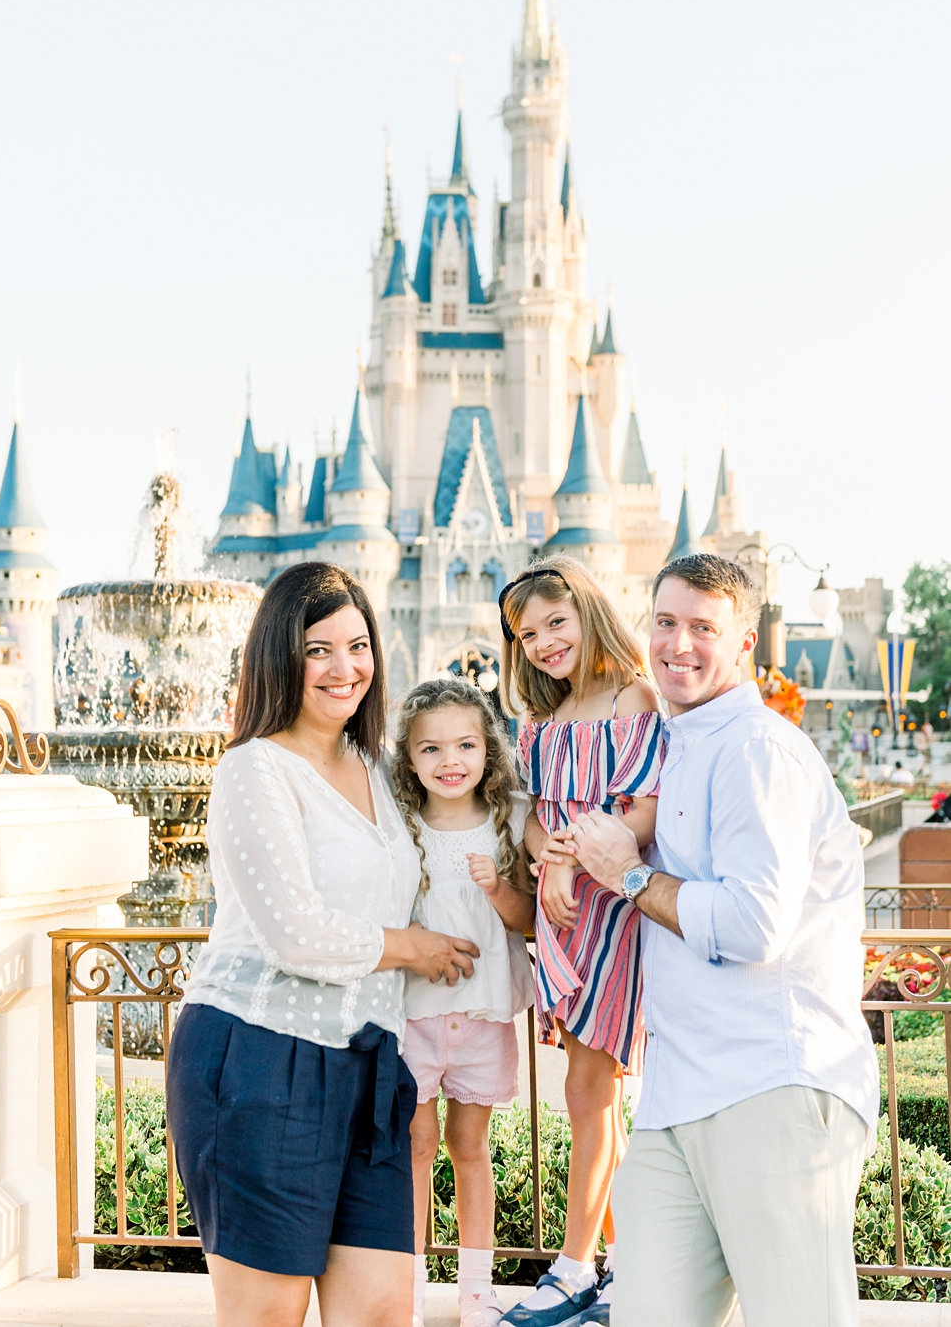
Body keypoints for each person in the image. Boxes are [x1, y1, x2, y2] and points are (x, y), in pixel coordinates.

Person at [554, 554, 879, 1327]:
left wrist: (628, 876)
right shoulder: (678, 744)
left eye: (704, 628)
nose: (679, 644)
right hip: (676, 1096)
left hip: (771, 1084)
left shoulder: (756, 750)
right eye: (665, 623)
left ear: (746, 644)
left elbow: (751, 926)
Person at [165, 562, 480, 1327]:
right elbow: (295, 934)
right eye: (319, 650)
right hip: (258, 1061)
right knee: (266, 1317)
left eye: (358, 645)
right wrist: (411, 947)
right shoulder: (255, 769)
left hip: (367, 1068)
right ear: (280, 655)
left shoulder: (376, 766)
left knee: (380, 1313)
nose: (346, 669)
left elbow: (471, 811)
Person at [497, 557, 664, 1327]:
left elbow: (643, 811)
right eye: (526, 634)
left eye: (554, 623)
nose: (541, 642)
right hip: (563, 919)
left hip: (611, 910)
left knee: (589, 1093)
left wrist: (565, 859)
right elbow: (532, 814)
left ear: (588, 612)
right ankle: (634, 1273)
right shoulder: (540, 725)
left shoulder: (634, 697)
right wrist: (542, 854)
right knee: (594, 1096)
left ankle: (572, 1269)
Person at [392, 676, 535, 1327]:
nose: (449, 762)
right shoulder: (400, 827)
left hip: (483, 1012)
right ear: (409, 758)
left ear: (487, 750)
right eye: (431, 750)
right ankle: (409, 1286)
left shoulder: (511, 818)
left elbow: (525, 921)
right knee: (417, 1146)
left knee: (470, 1148)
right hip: (413, 1014)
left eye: (464, 746)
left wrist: (499, 886)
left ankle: (477, 1288)